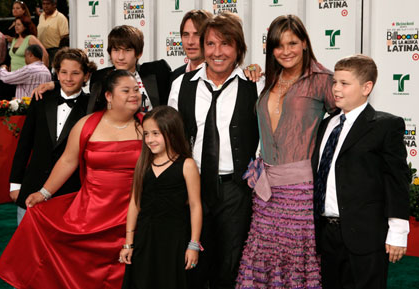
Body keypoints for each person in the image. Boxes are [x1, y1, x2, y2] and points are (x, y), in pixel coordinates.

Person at [0, 69, 144, 289]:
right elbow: (68, 161)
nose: (134, 95)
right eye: (126, 90)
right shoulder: (87, 125)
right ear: (108, 96)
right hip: (90, 214)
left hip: (133, 214)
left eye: (136, 90)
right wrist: (43, 193)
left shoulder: (148, 126)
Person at [235, 15, 336, 288]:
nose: (286, 51)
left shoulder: (323, 80)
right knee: (262, 255)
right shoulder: (267, 79)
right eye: (279, 45)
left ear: (304, 43)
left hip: (301, 190)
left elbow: (345, 127)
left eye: (293, 43)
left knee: (295, 259)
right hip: (265, 188)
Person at [169, 12, 263, 289]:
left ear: (239, 49)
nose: (217, 52)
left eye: (226, 44)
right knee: (191, 262)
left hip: (235, 189)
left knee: (229, 264)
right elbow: (172, 139)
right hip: (191, 187)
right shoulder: (181, 85)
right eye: (210, 44)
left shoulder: (255, 85)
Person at [311, 54, 410, 289]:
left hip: (366, 237)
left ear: (367, 87)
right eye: (335, 82)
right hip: (326, 236)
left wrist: (398, 231)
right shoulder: (327, 124)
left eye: (344, 84)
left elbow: (396, 181)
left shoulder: (386, 126)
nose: (336, 89)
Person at [7, 47, 96, 225]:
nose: (68, 78)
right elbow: (25, 142)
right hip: (32, 184)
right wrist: (15, 183)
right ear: (57, 73)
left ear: (86, 76)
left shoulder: (92, 106)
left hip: (71, 190)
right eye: (63, 72)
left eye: (75, 73)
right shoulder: (41, 98)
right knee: (27, 244)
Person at [120, 105, 203, 289]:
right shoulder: (143, 164)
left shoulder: (187, 165)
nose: (149, 139)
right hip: (145, 238)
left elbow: (195, 206)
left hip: (174, 240)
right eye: (146, 134)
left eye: (156, 133)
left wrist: (193, 244)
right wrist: (128, 243)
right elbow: (135, 204)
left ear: (171, 132)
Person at [34, 25, 171, 114]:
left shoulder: (157, 71)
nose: (121, 57)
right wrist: (55, 84)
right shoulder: (101, 77)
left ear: (139, 53)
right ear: (110, 52)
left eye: (127, 50)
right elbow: (83, 95)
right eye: (116, 50)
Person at [171, 9, 213, 82]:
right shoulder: (176, 75)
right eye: (186, 35)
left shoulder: (218, 75)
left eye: (197, 35)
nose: (190, 42)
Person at [37, 0, 69, 67]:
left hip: (54, 51)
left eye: (48, 4)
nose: (45, 6)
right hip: (42, 51)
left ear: (54, 5)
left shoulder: (61, 17)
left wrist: (60, 54)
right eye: (43, 4)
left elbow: (65, 37)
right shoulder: (41, 16)